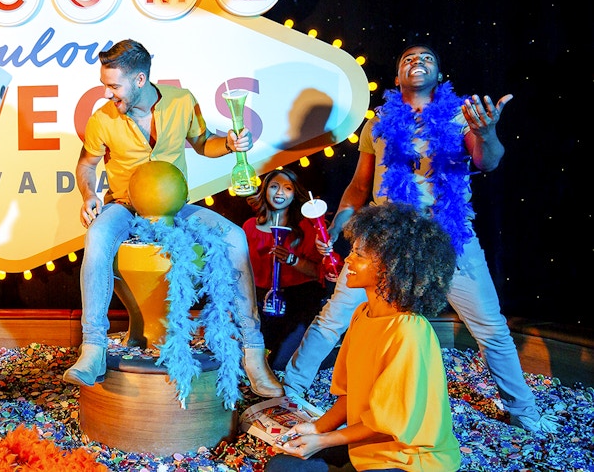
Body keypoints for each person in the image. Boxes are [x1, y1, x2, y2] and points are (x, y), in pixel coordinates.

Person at [282, 44, 559, 433]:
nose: (418, 62)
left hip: (447, 238)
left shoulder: (461, 117)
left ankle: (524, 412)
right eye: (408, 59)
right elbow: (359, 186)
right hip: (383, 237)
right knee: (333, 317)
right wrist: (339, 226)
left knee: (491, 328)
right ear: (397, 78)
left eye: (426, 58)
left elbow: (487, 161)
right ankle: (292, 389)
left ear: (439, 75)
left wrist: (487, 132)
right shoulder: (376, 122)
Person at [63, 38, 282, 397]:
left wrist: (227, 144)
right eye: (105, 84)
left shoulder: (182, 102)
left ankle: (253, 352)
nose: (106, 93)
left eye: (113, 85)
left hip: (175, 208)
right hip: (125, 206)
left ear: (139, 80)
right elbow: (86, 164)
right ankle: (93, 349)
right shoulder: (102, 118)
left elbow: (203, 143)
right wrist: (89, 195)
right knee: (98, 238)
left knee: (233, 237)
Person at [266, 203, 461, 472]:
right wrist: (315, 428)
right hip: (366, 449)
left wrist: (321, 441)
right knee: (282, 467)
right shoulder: (361, 314)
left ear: (390, 267)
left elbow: (388, 425)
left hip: (409, 460)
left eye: (359, 254)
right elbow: (349, 396)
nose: (348, 260)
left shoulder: (409, 331)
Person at [242, 168, 335, 371]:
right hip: (261, 304)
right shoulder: (249, 227)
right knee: (260, 363)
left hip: (299, 303)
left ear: (294, 195)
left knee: (281, 362)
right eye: (274, 186)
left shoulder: (306, 227)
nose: (279, 193)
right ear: (265, 190)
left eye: (287, 188)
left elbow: (318, 272)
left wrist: (291, 259)